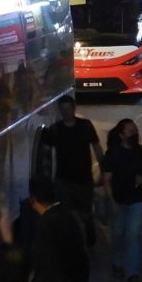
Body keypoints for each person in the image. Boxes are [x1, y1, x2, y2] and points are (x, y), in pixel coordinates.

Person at [18, 176, 89, 282]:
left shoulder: (46, 225)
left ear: (33, 200)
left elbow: (55, 268)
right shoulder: (69, 218)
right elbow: (80, 258)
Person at [39, 95, 102, 251]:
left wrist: (103, 171)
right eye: (63, 109)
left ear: (74, 109)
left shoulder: (85, 126)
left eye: (69, 109)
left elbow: (97, 148)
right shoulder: (54, 130)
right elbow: (46, 156)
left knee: (86, 214)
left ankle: (89, 242)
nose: (66, 112)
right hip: (63, 180)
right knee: (66, 215)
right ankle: (72, 245)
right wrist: (47, 179)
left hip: (84, 179)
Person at [100, 120, 142, 282]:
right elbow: (107, 179)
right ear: (121, 135)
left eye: (134, 130)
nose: (134, 134)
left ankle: (133, 273)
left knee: (133, 235)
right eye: (130, 131)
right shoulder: (113, 154)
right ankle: (117, 262)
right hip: (118, 199)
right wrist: (112, 201)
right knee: (118, 233)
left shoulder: (141, 152)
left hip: (136, 199)